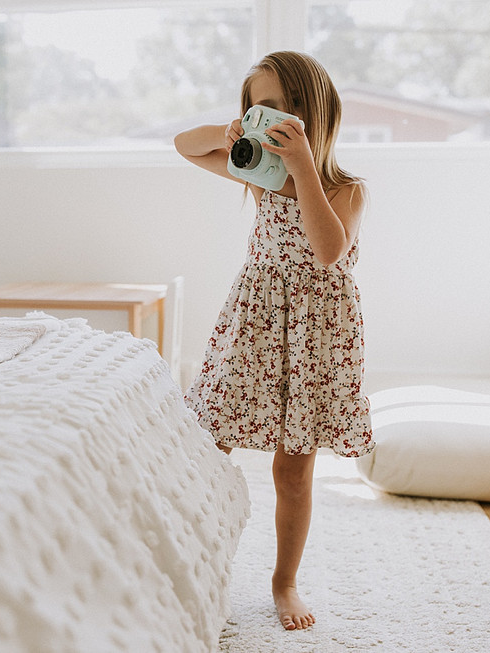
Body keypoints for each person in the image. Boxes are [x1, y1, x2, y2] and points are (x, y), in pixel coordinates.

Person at [174, 51, 375, 631]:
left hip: (317, 337)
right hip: (256, 321)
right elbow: (184, 147)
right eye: (261, 108)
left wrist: (304, 167)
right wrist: (225, 132)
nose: (274, 118)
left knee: (293, 471)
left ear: (317, 113)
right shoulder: (256, 173)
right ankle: (195, 554)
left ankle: (284, 580)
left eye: (286, 107)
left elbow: (329, 250)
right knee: (210, 440)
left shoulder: (346, 189)